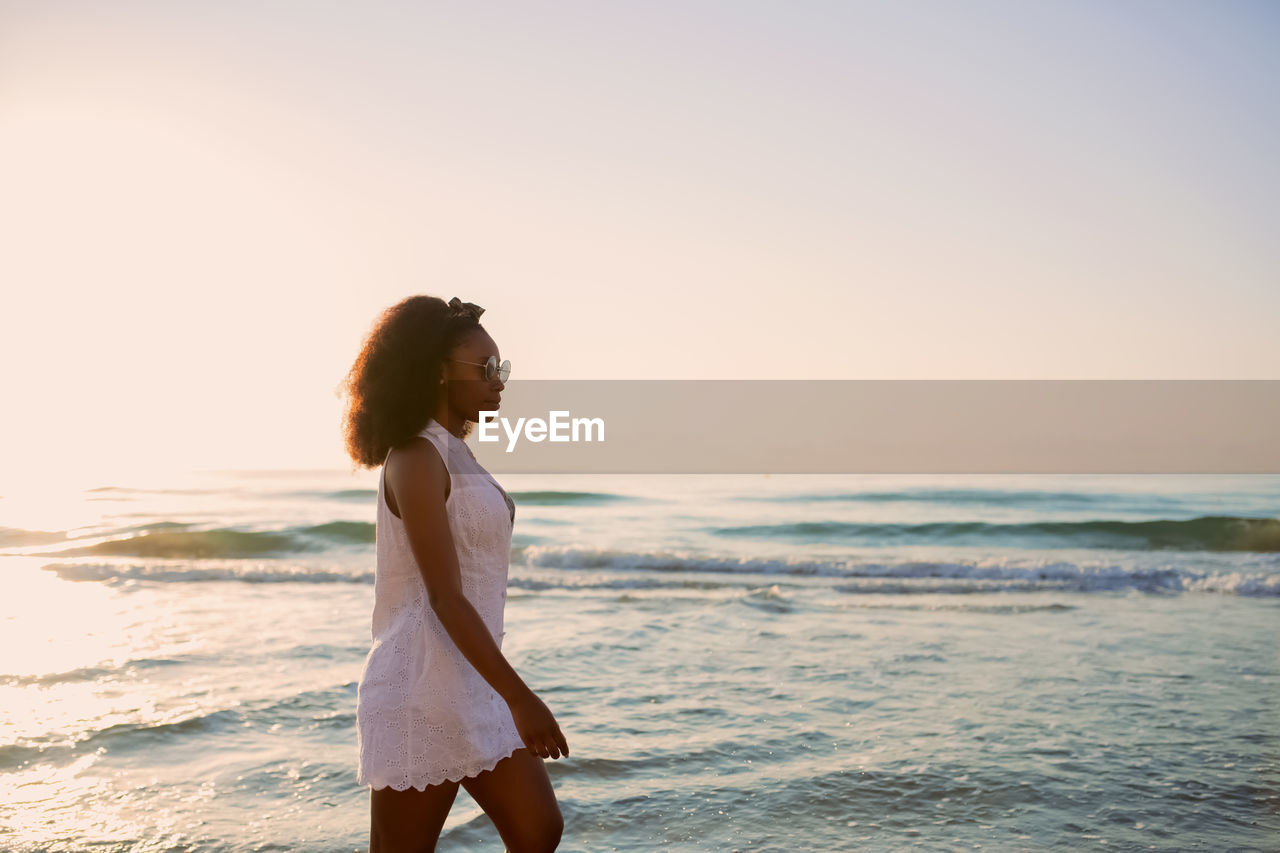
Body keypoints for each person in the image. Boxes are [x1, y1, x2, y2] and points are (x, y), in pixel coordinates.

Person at [339, 295, 568, 852]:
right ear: (438, 372)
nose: (500, 381)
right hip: (420, 685)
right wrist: (521, 697)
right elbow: (445, 596)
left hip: (468, 680)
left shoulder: (456, 453)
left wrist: (502, 692)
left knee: (539, 830)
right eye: (487, 368)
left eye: (503, 368)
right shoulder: (417, 456)